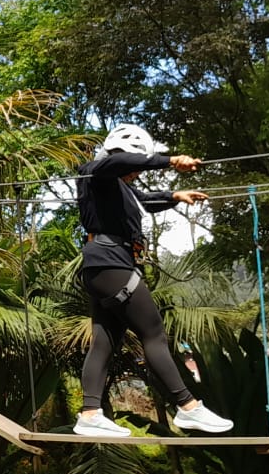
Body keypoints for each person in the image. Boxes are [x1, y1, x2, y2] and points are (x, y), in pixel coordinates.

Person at [72, 123, 234, 438]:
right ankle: (187, 408)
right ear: (123, 153)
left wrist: (175, 195)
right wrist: (169, 160)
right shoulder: (97, 170)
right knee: (154, 334)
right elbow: (120, 164)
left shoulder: (121, 187)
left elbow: (145, 200)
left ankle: (90, 413)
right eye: (137, 164)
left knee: (105, 340)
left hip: (102, 267)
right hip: (111, 264)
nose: (136, 173)